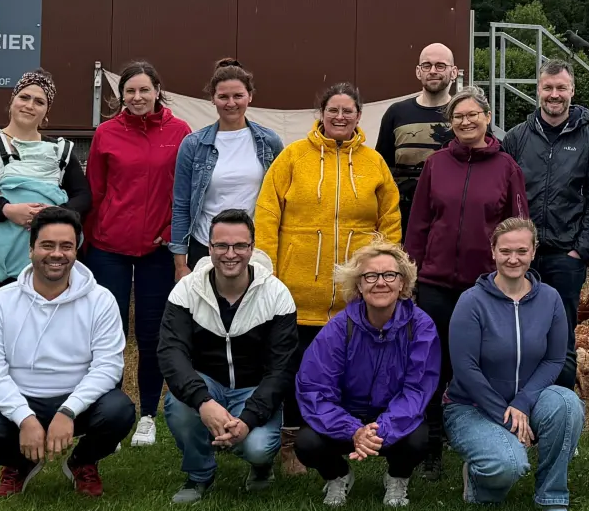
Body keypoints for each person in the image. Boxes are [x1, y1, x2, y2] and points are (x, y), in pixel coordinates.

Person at [254, 82, 403, 473]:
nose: (340, 117)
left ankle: (343, 433)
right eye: (332, 110)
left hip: (355, 296)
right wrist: (266, 268)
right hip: (297, 289)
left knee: (342, 369)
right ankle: (291, 440)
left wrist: (385, 271)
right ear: (320, 113)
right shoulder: (292, 158)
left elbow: (389, 221)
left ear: (358, 116)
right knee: (295, 366)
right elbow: (268, 214)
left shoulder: (374, 163)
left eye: (348, 111)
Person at [0, 208, 133, 498]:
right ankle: (20, 463)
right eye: (47, 245)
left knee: (120, 411)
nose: (57, 254)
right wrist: (24, 418)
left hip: (79, 401)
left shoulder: (101, 300)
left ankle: (82, 461)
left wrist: (68, 410)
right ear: (31, 250)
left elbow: (108, 367)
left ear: (76, 250)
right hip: (22, 396)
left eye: (66, 246)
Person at [405, 87, 529, 478]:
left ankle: (490, 436)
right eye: (458, 116)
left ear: (487, 118)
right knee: (432, 363)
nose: (466, 121)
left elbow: (519, 227)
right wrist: (412, 272)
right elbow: (419, 222)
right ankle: (431, 446)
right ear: (450, 123)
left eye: (473, 114)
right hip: (437, 283)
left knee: (479, 364)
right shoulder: (435, 165)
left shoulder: (507, 167)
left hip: (485, 288)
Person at [81, 61, 192, 447]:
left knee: (151, 333)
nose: (138, 97)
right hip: (108, 248)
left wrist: (171, 232)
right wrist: (88, 239)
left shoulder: (180, 133)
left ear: (158, 90)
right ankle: (107, 414)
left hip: (157, 251)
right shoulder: (106, 134)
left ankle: (147, 414)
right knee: (107, 334)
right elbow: (94, 189)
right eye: (130, 91)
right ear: (121, 96)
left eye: (145, 90)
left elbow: (187, 191)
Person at [445, 218, 584, 511]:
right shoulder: (471, 302)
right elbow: (466, 368)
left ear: (534, 252)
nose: (513, 259)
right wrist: (507, 417)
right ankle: (480, 483)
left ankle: (552, 494)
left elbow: (554, 359)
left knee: (567, 403)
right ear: (493, 251)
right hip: (472, 407)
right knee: (508, 465)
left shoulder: (550, 299)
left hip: (527, 402)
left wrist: (522, 403)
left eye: (522, 250)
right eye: (505, 251)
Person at [157, 209, 299, 504]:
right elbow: (172, 354)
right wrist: (204, 402)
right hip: (209, 386)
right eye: (221, 246)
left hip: (255, 390)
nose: (230, 254)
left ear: (252, 248)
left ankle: (260, 466)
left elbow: (281, 371)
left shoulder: (276, 294)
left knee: (258, 447)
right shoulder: (186, 290)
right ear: (209, 249)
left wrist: (247, 419)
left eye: (240, 246)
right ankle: (199, 475)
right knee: (178, 405)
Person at [294, 240, 440, 508]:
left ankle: (397, 477)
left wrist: (378, 430)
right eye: (370, 276)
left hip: (393, 417)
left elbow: (417, 390)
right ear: (359, 285)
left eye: (390, 275)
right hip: (347, 417)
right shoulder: (339, 328)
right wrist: (353, 430)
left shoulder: (421, 327)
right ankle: (338, 475)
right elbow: (315, 389)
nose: (380, 282)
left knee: (420, 438)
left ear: (402, 284)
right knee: (306, 442)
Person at [0, 70, 91, 334]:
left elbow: (83, 195)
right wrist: (7, 210)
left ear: (47, 112)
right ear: (12, 102)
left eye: (39, 101)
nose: (30, 105)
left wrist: (56, 215)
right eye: (24, 97)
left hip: (45, 255)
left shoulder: (60, 153)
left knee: (43, 323)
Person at [501, 59, 589, 391]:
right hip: (521, 257)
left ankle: (561, 411)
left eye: (561, 88)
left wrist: (581, 250)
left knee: (560, 339)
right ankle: (517, 408)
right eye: (548, 88)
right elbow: (502, 195)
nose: (554, 95)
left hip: (566, 256)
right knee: (516, 334)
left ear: (572, 91)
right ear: (538, 90)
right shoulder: (517, 138)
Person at [170, 59, 284, 281]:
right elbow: (181, 205)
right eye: (223, 97)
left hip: (253, 250)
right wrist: (180, 264)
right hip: (205, 247)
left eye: (238, 96)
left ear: (250, 96)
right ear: (212, 98)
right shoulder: (193, 145)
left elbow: (281, 201)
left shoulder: (269, 142)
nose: (231, 103)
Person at [375, 43, 458, 230]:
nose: (433, 71)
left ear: (453, 72)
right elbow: (382, 169)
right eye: (427, 65)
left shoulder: (465, 115)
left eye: (440, 66)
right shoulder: (396, 114)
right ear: (418, 72)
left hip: (452, 220)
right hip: (403, 221)